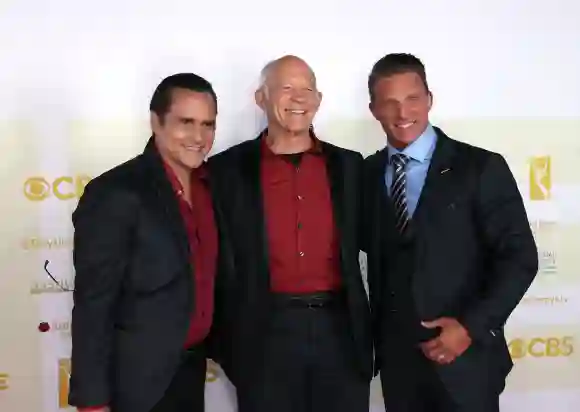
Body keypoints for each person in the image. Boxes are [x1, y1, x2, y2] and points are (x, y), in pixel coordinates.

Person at [363, 53, 538, 412]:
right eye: (390, 103)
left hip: (467, 361)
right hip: (400, 366)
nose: (402, 113)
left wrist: (470, 328)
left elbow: (520, 258)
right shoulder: (364, 173)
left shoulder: (480, 167)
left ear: (429, 99)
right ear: (373, 109)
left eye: (412, 99)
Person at [208, 55, 372, 412]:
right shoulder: (225, 171)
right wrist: (225, 342)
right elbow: (211, 259)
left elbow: (382, 247)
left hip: (340, 333)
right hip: (262, 335)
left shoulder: (351, 166)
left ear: (318, 100)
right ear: (260, 98)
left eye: (306, 90)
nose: (298, 98)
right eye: (286, 88)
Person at [69, 73, 223, 412]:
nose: (198, 136)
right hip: (136, 384)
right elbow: (94, 305)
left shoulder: (212, 186)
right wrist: (92, 401)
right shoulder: (115, 192)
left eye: (208, 124)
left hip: (191, 371)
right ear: (156, 121)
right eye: (186, 122)